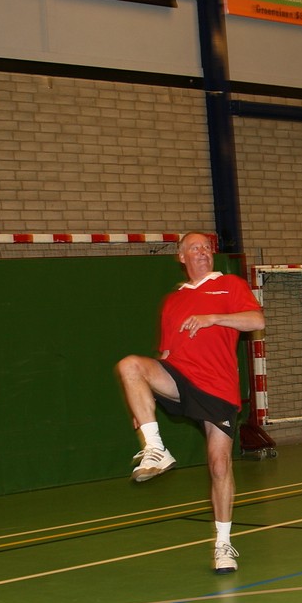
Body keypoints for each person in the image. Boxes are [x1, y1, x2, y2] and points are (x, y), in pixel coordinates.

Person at [116, 232, 265, 573]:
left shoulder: (229, 285)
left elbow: (257, 321)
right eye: (194, 248)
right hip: (180, 378)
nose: (203, 252)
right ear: (181, 257)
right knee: (130, 366)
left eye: (207, 248)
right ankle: (156, 448)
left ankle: (223, 545)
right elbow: (166, 354)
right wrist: (143, 398)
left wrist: (214, 318)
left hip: (218, 388)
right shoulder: (173, 301)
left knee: (219, 465)